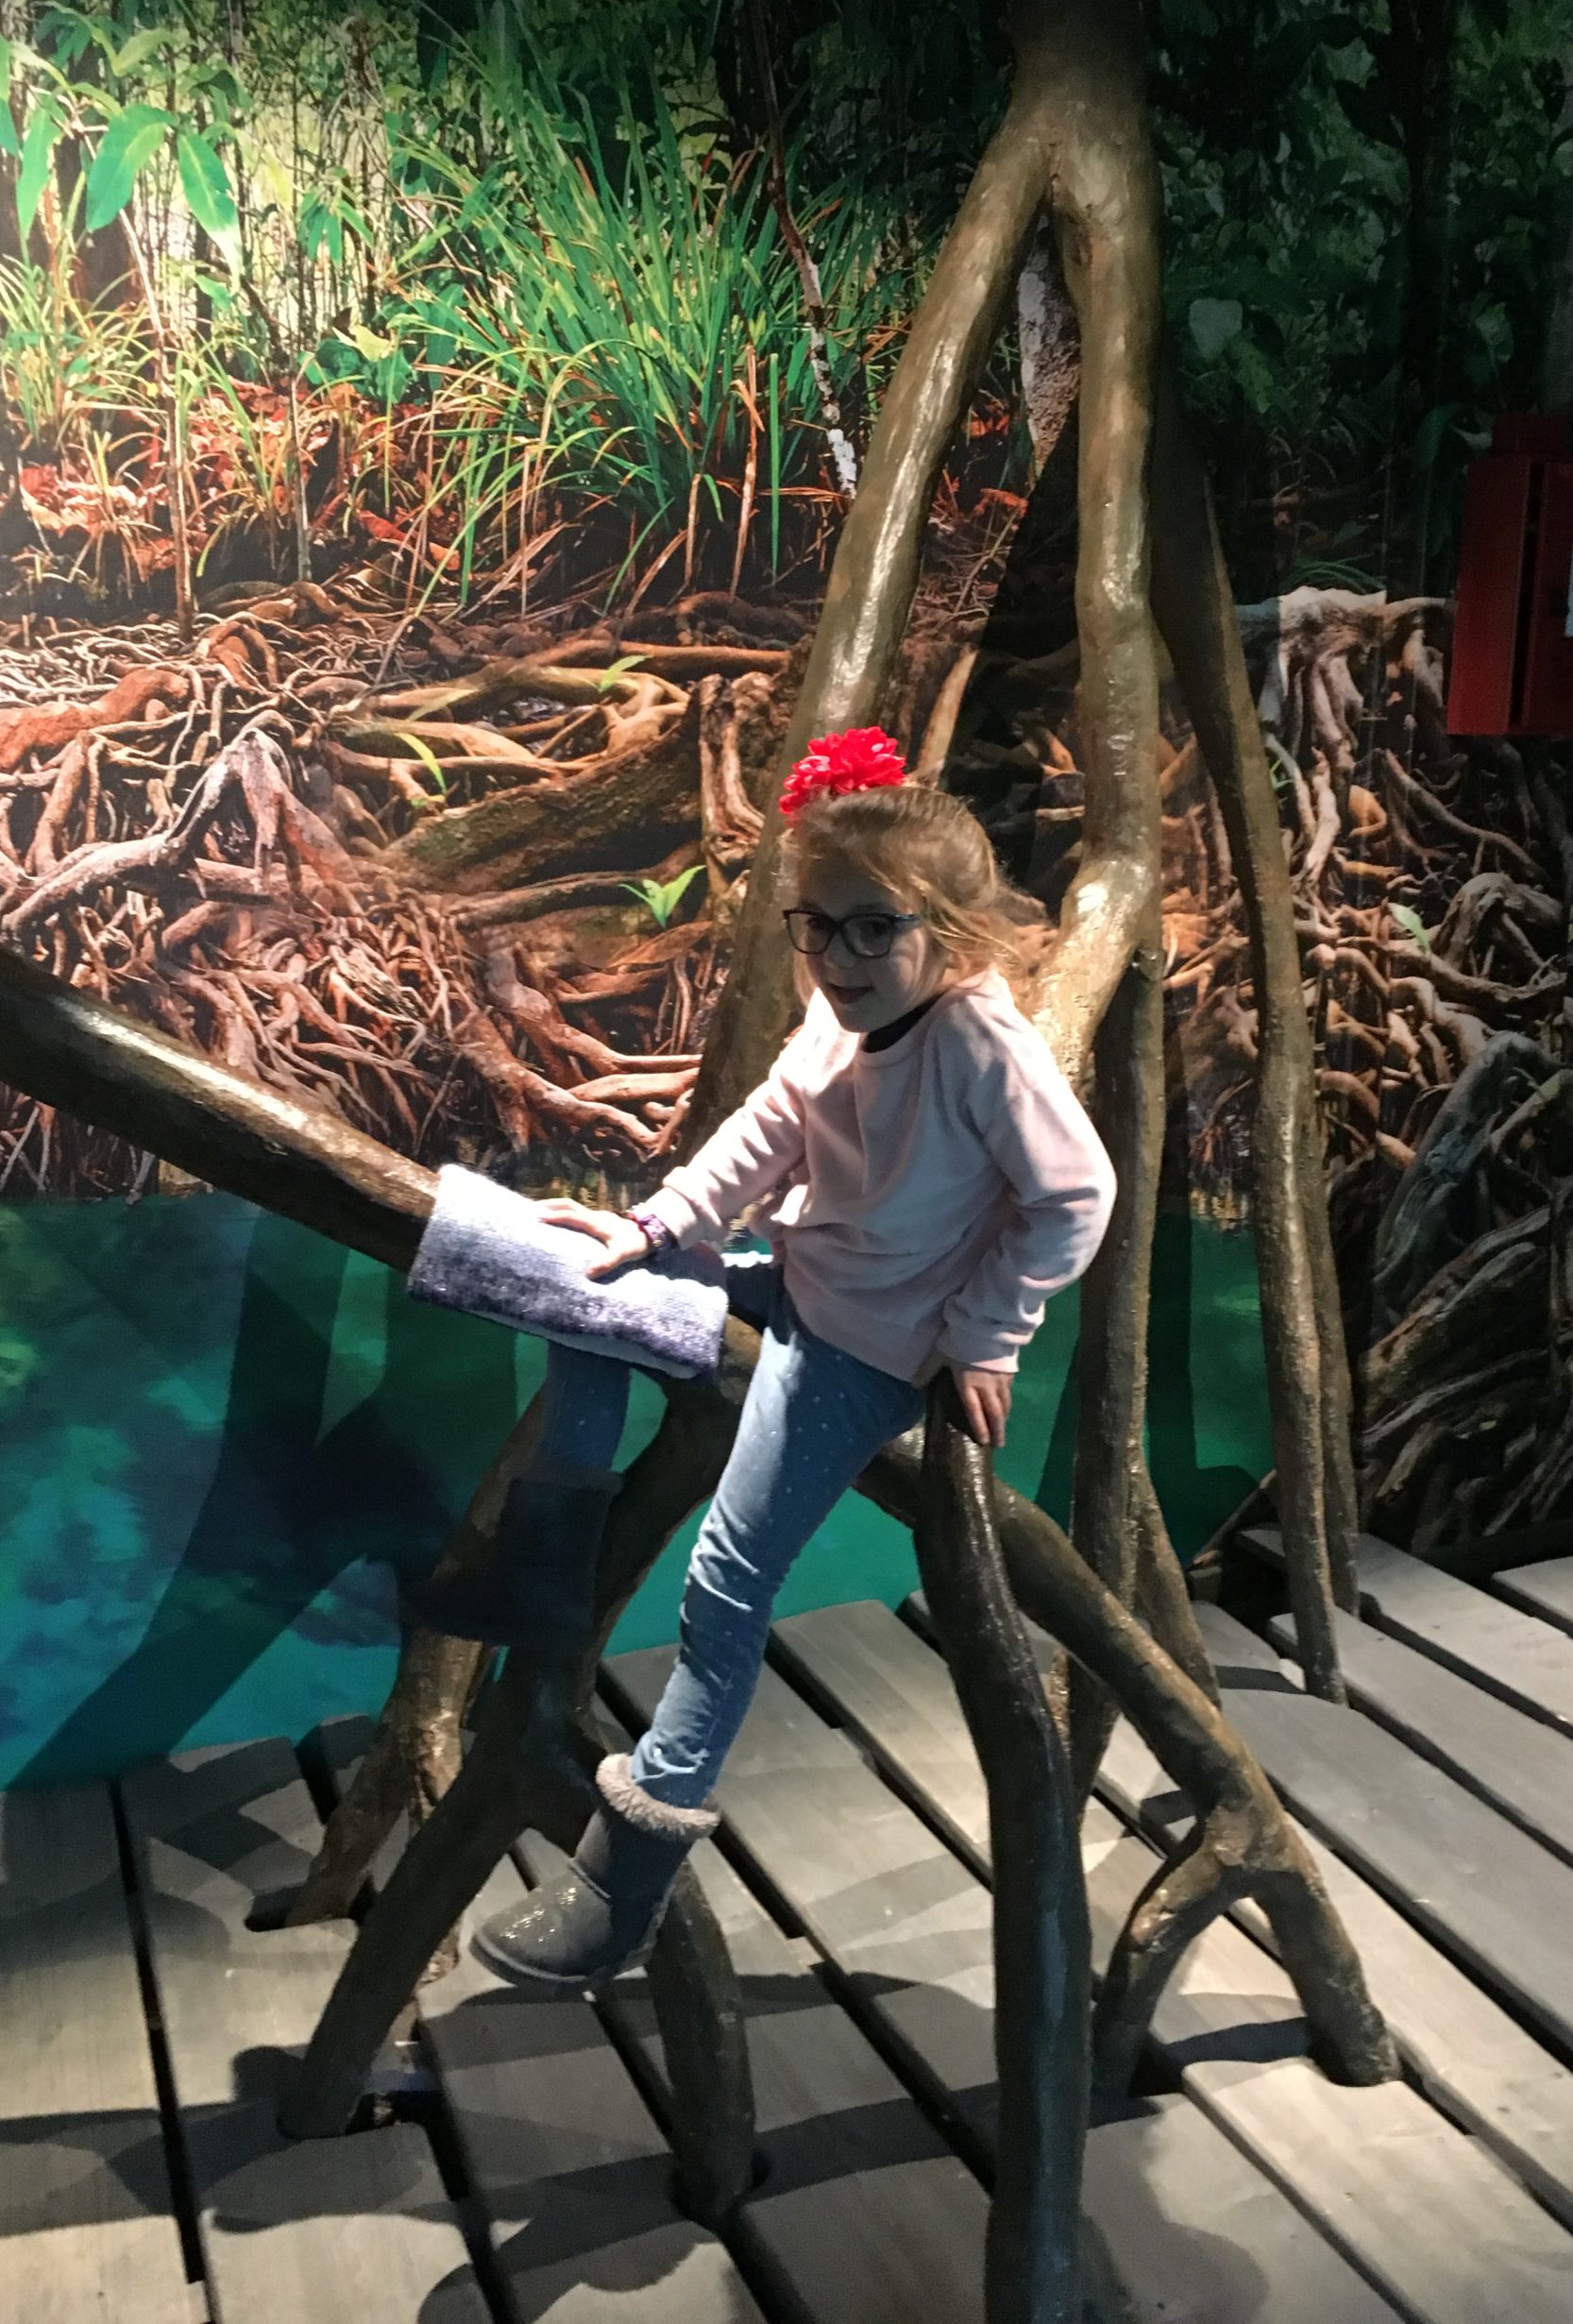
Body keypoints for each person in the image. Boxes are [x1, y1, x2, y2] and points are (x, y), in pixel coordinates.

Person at [446, 722, 1116, 1993]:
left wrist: (986, 1336)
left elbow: (1075, 1196)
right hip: (793, 1275)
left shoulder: (980, 1047)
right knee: (574, 1291)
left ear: (949, 936)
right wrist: (656, 1227)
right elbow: (769, 1127)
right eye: (820, 927)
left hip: (867, 1343)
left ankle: (629, 1874)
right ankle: (543, 1567)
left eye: (874, 930)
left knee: (725, 1581)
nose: (840, 958)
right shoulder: (838, 1012)